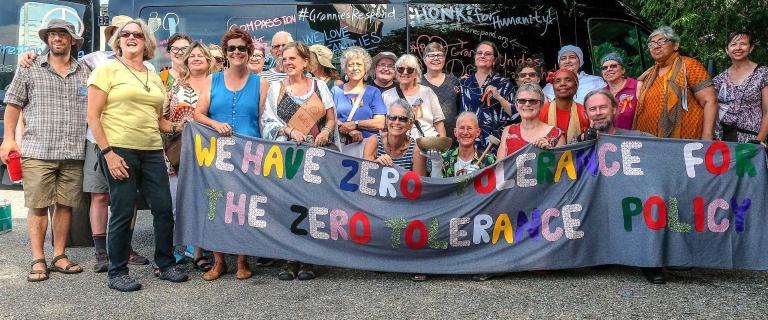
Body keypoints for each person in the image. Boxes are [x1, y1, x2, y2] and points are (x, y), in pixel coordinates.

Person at [16, 14, 152, 272]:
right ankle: (53, 258)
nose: (126, 36)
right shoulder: (92, 61)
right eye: (119, 31)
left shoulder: (130, 67)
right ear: (111, 34)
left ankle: (76, 253)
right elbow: (16, 102)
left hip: (100, 144)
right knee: (68, 200)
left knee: (88, 202)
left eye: (131, 33)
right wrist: (29, 56)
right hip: (72, 143)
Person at [87, 18, 188, 291]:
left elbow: (159, 120)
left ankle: (165, 264)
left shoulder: (152, 73)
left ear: (146, 42)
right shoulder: (106, 70)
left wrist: (180, 125)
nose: (132, 37)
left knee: (164, 209)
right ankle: (117, 271)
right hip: (119, 149)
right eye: (126, 34)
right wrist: (107, 153)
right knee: (121, 210)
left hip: (153, 150)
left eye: (138, 35)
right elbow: (93, 116)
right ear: (118, 40)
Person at [1, 19, 88, 282]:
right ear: (47, 39)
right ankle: (38, 257)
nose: (57, 38)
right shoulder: (29, 67)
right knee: (38, 206)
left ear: (73, 40)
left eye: (63, 34)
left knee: (65, 206)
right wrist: (8, 140)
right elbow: (13, 104)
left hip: (73, 151)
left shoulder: (86, 71)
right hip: (38, 149)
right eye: (52, 34)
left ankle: (59, 255)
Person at [261, 41, 338, 281]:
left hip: (317, 157)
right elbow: (267, 122)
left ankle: (311, 259)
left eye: (293, 58)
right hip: (288, 158)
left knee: (314, 205)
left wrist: (325, 132)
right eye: (284, 59)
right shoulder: (276, 89)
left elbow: (332, 119)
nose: (288, 63)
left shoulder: (320, 86)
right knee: (289, 205)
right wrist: (287, 131)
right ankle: (290, 258)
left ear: (305, 61)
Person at [194, 28, 261, 281]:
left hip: (248, 155)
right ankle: (218, 261)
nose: (236, 52)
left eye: (241, 48)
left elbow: (264, 121)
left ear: (249, 52)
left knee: (244, 207)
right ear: (225, 53)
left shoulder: (260, 82)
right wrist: (215, 125)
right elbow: (198, 113)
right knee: (217, 206)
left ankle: (243, 261)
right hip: (217, 154)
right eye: (231, 48)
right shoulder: (213, 80)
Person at [579, 89, 660, 284]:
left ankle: (650, 262)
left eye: (603, 107)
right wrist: (585, 144)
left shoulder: (637, 136)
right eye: (593, 109)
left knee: (651, 203)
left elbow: (666, 151)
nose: (598, 112)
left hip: (634, 196)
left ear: (615, 110)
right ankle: (603, 255)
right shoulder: (580, 140)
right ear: (586, 114)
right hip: (600, 197)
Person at [423, 112, 496, 282]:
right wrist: (436, 165)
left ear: (477, 132)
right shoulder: (446, 158)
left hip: (476, 212)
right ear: (455, 132)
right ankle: (426, 265)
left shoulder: (488, 159)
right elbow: (437, 191)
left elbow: (492, 194)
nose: (465, 132)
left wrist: (478, 179)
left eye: (469, 128)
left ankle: (482, 265)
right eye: (461, 128)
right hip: (448, 210)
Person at [164, 41, 215, 272]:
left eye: (200, 55)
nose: (195, 58)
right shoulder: (175, 88)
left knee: (204, 202)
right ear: (186, 61)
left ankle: (200, 251)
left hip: (210, 154)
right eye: (191, 55)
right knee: (177, 202)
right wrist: (177, 127)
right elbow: (161, 119)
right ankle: (177, 248)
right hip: (178, 153)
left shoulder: (218, 85)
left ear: (208, 60)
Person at [635, 26, 718, 140]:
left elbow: (710, 101)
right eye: (652, 44)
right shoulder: (650, 74)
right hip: (651, 144)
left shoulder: (689, 65)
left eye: (662, 41)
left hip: (686, 144)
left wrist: (707, 137)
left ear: (675, 45)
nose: (656, 46)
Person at [460, 41, 516, 154]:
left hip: (495, 144)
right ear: (475, 57)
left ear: (494, 60)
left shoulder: (504, 84)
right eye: (479, 53)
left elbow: (515, 114)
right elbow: (459, 114)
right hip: (469, 143)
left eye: (487, 54)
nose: (482, 56)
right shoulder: (464, 83)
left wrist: (499, 97)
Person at [713, 30, 768, 144]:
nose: (738, 47)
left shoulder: (763, 73)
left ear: (751, 48)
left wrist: (759, 141)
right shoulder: (719, 79)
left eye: (743, 44)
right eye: (733, 44)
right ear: (727, 50)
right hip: (723, 141)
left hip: (752, 140)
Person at [332, 46, 386, 157]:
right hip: (340, 148)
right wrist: (349, 130)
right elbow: (330, 118)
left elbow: (380, 123)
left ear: (365, 68)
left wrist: (355, 124)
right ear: (345, 70)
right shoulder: (336, 91)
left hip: (367, 148)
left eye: (359, 64)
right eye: (350, 65)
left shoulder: (373, 92)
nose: (354, 68)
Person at [382, 54, 446, 138]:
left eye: (410, 70)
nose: (405, 72)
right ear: (396, 72)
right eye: (401, 69)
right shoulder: (386, 95)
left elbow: (438, 123)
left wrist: (443, 149)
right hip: (400, 146)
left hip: (428, 143)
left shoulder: (427, 92)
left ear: (416, 73)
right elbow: (384, 127)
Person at [498, 83, 565, 158]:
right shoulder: (508, 131)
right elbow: (500, 167)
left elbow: (562, 167)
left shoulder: (556, 134)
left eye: (533, 101)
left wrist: (550, 152)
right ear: (516, 105)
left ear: (541, 105)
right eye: (522, 101)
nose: (527, 104)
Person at [363, 99, 427, 175]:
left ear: (410, 124)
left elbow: (419, 183)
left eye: (402, 119)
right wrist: (375, 166)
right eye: (392, 117)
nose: (396, 122)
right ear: (387, 120)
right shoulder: (374, 141)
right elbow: (364, 176)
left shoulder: (416, 148)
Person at [422, 42, 461, 137]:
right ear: (424, 59)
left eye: (440, 55)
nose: (436, 58)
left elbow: (460, 107)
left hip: (454, 136)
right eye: (431, 55)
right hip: (426, 137)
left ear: (444, 59)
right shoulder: (418, 82)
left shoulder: (454, 81)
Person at [539, 68, 588, 142]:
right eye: (558, 81)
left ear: (576, 86)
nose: (562, 83)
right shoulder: (542, 112)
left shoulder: (584, 112)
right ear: (553, 87)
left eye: (568, 80)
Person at [600, 53, 638, 130]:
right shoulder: (601, 93)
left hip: (637, 138)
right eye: (604, 68)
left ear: (623, 70)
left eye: (613, 66)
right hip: (611, 139)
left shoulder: (636, 86)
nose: (608, 69)